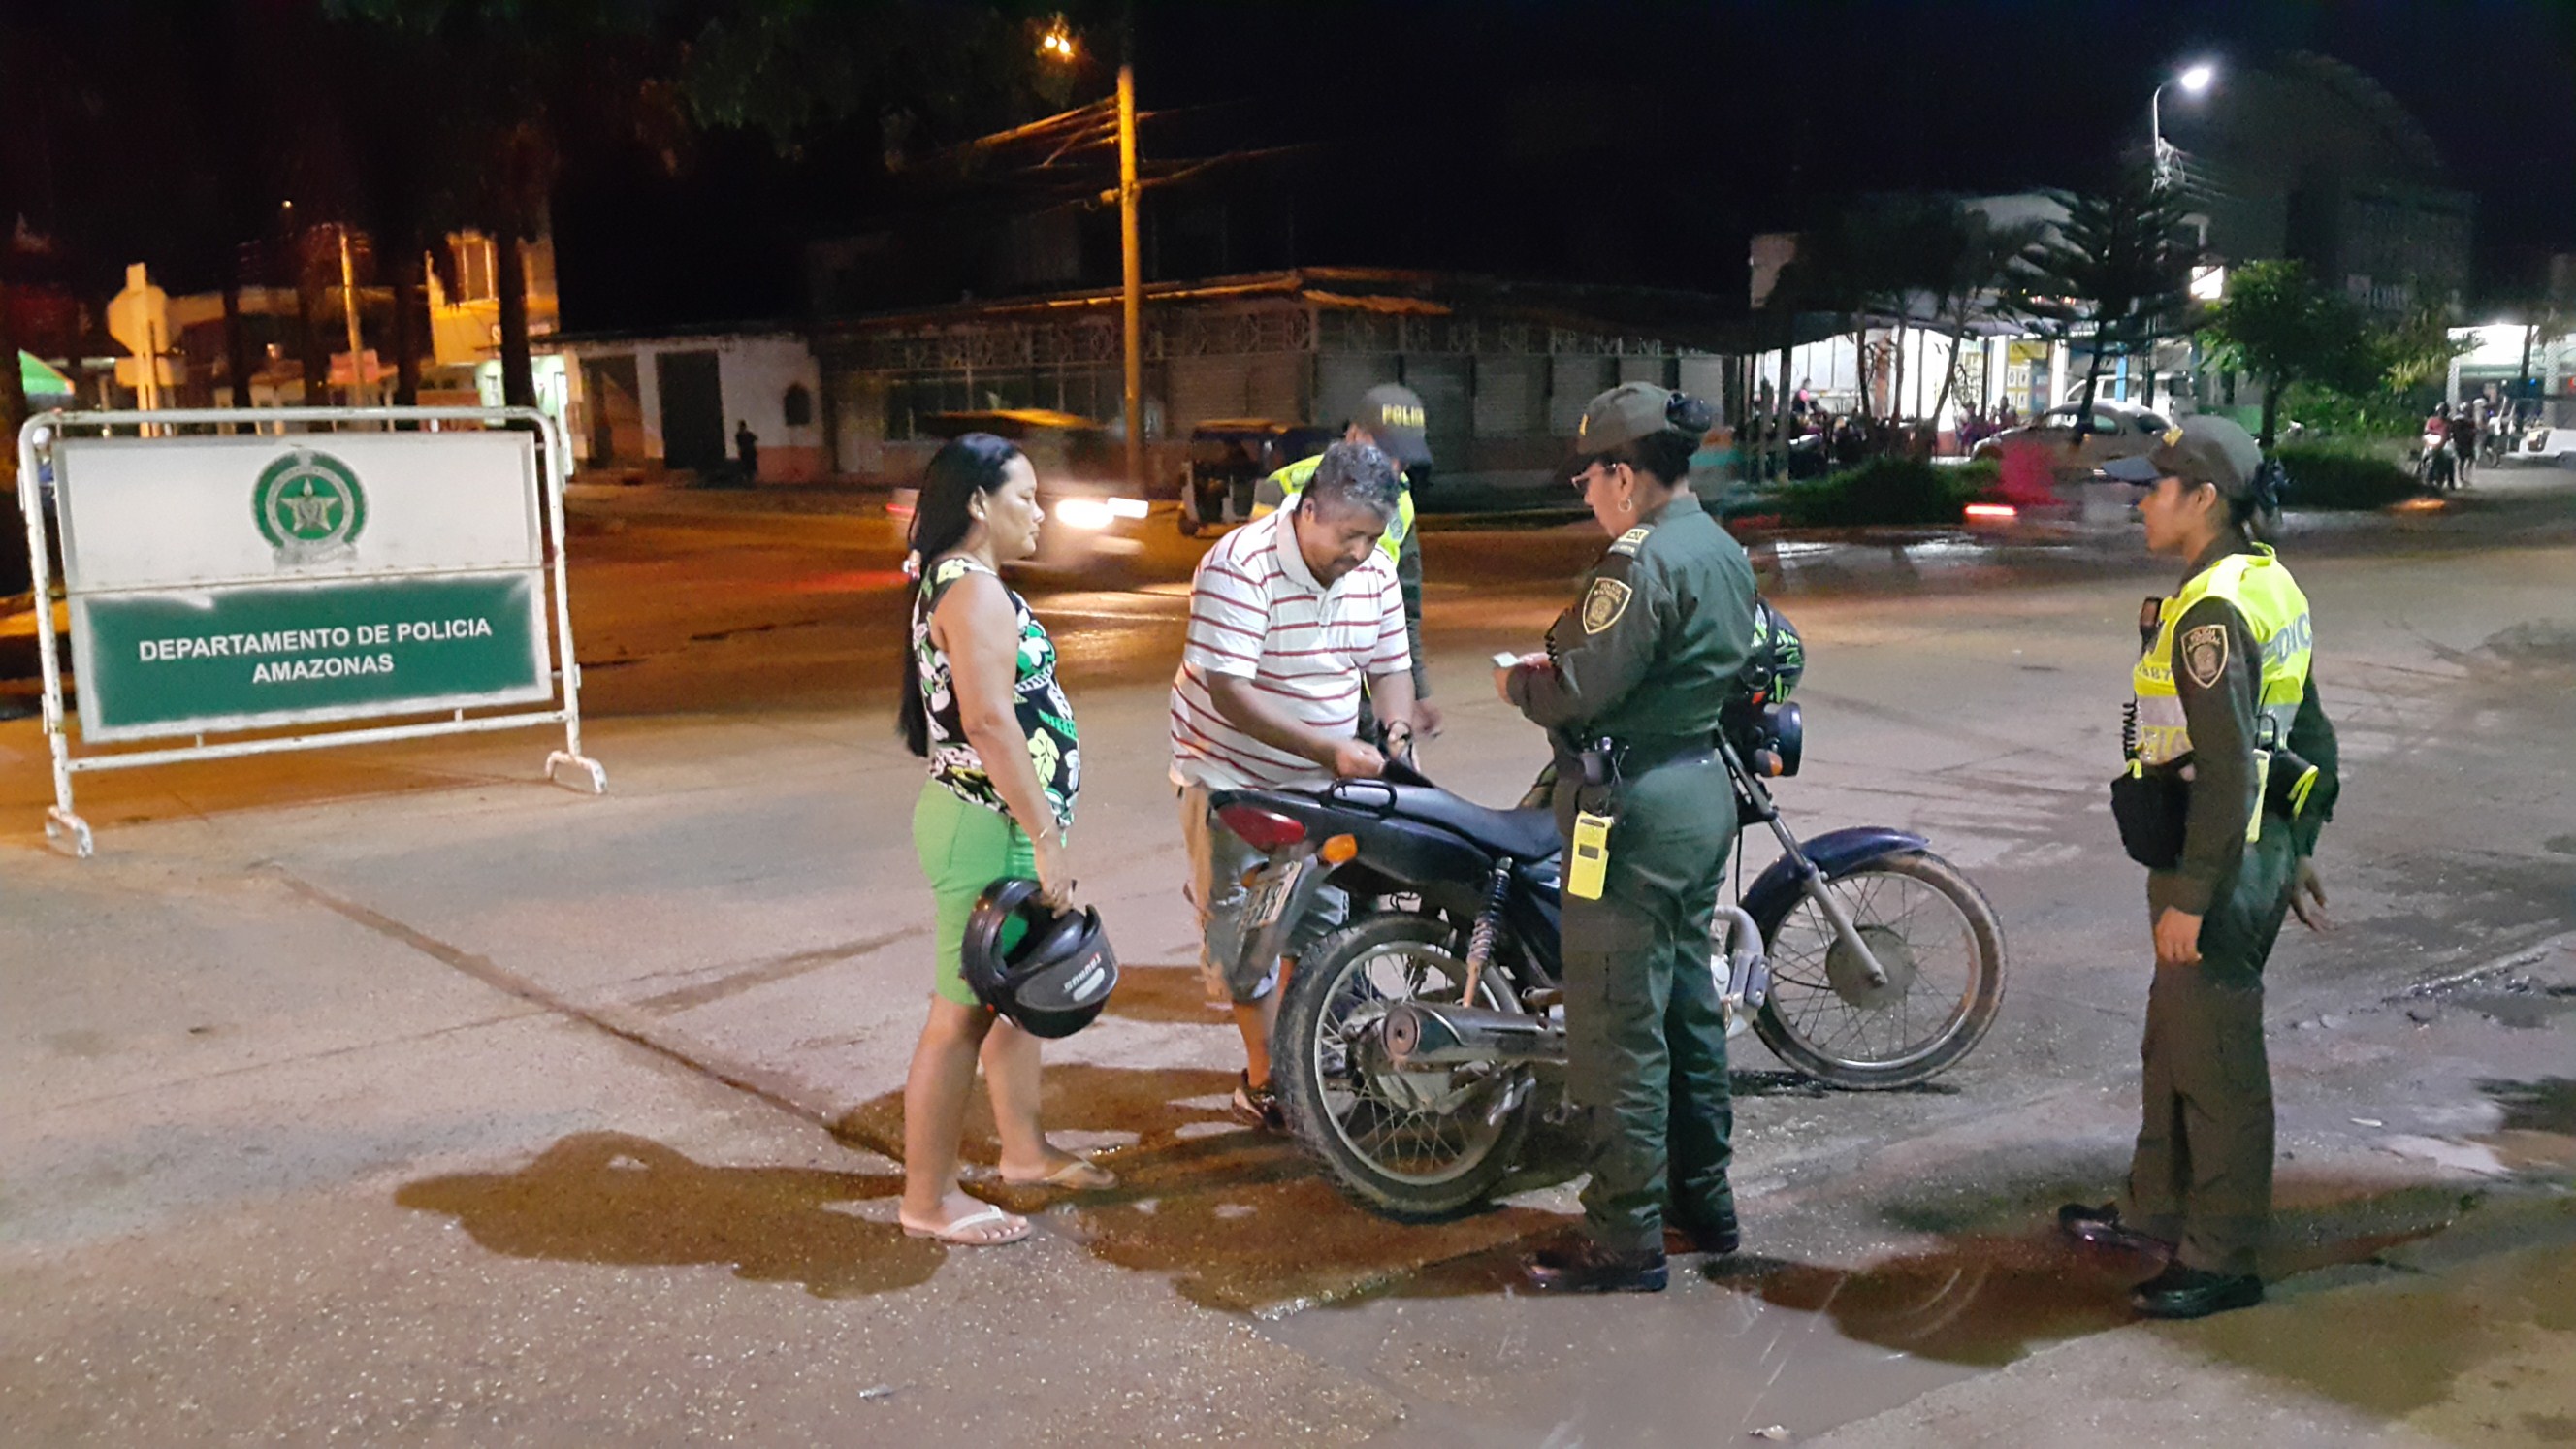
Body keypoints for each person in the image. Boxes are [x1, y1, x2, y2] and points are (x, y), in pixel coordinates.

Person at [2065, 416, 2340, 1318]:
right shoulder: (2265, 582)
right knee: (2173, 1040)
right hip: (2241, 849)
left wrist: (2193, 894)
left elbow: (2228, 771)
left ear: (2205, 499)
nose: (2141, 502)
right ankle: (2156, 1208)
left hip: (2213, 856)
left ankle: (2221, 1255)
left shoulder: (2213, 610)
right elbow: (2307, 732)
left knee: (2216, 1060)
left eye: (2155, 488)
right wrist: (2296, 847)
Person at [1495, 384, 1757, 1293]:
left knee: (1617, 1023)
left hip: (1633, 806)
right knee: (1688, 1007)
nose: (1586, 495)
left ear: (1623, 473)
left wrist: (1524, 688)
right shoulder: (1722, 548)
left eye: (1589, 477)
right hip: (1700, 792)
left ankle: (1624, 1238)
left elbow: (1578, 686)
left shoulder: (1636, 561)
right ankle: (1702, 1205)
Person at [896, 433, 1114, 1246]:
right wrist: (1044, 839)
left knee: (1015, 998)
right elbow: (988, 721)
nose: (1040, 513)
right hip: (987, 830)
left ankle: (1022, 1151)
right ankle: (927, 1201)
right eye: (1025, 497)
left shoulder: (958, 583)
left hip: (993, 823)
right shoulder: (973, 593)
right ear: (980, 504)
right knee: (958, 1019)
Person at [1174, 442, 1417, 1128]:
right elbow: (1229, 690)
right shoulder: (1237, 565)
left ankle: (1296, 1055)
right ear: (1308, 511)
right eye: (1349, 536)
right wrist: (1327, 747)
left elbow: (1390, 666)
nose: (1362, 552)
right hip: (1229, 780)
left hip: (1322, 786)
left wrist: (1394, 733)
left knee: (1315, 929)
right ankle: (1265, 1079)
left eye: (1374, 537)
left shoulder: (1375, 573)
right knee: (1241, 937)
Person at [1251, 383, 1441, 742]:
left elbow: (1406, 608)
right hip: (1290, 700)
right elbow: (1248, 603)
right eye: (1386, 452)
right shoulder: (1287, 488)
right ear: (1353, 435)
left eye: (1404, 458)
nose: (1394, 467)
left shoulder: (1399, 500)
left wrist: (1417, 692)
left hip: (1366, 700)